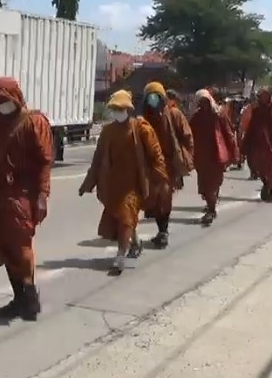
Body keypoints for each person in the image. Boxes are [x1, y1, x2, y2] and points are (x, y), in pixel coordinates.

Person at [0, 77, 53, 321]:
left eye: (7, 100)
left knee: (21, 246)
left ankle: (30, 297)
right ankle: (19, 298)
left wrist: (42, 196)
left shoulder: (34, 122)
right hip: (0, 197)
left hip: (24, 195)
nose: (3, 105)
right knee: (4, 246)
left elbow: (44, 162)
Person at [79, 90, 166, 275]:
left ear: (128, 109)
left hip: (133, 184)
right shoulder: (108, 131)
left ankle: (120, 257)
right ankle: (135, 242)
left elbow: (156, 155)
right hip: (112, 185)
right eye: (114, 109)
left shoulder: (142, 128)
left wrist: (160, 179)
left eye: (121, 108)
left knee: (126, 217)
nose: (117, 112)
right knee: (120, 218)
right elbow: (98, 159)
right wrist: (88, 183)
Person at [140, 81, 193, 249]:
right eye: (150, 98)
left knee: (164, 198)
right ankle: (161, 229)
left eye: (157, 97)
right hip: (149, 165)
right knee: (152, 200)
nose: (153, 101)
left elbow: (187, 137)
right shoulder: (143, 119)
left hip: (168, 164)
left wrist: (182, 158)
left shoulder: (175, 115)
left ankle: (163, 231)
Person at [189, 89, 237, 225]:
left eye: (206, 101)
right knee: (205, 185)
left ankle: (211, 209)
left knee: (213, 183)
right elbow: (189, 134)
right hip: (201, 156)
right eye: (201, 102)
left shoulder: (219, 115)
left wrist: (233, 152)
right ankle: (211, 205)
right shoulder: (196, 117)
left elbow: (228, 134)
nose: (204, 104)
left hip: (217, 154)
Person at [240, 88, 272, 202]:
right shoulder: (256, 111)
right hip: (258, 145)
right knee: (260, 168)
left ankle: (269, 187)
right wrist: (246, 144)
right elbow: (251, 128)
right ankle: (266, 183)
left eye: (264, 96)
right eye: (260, 96)